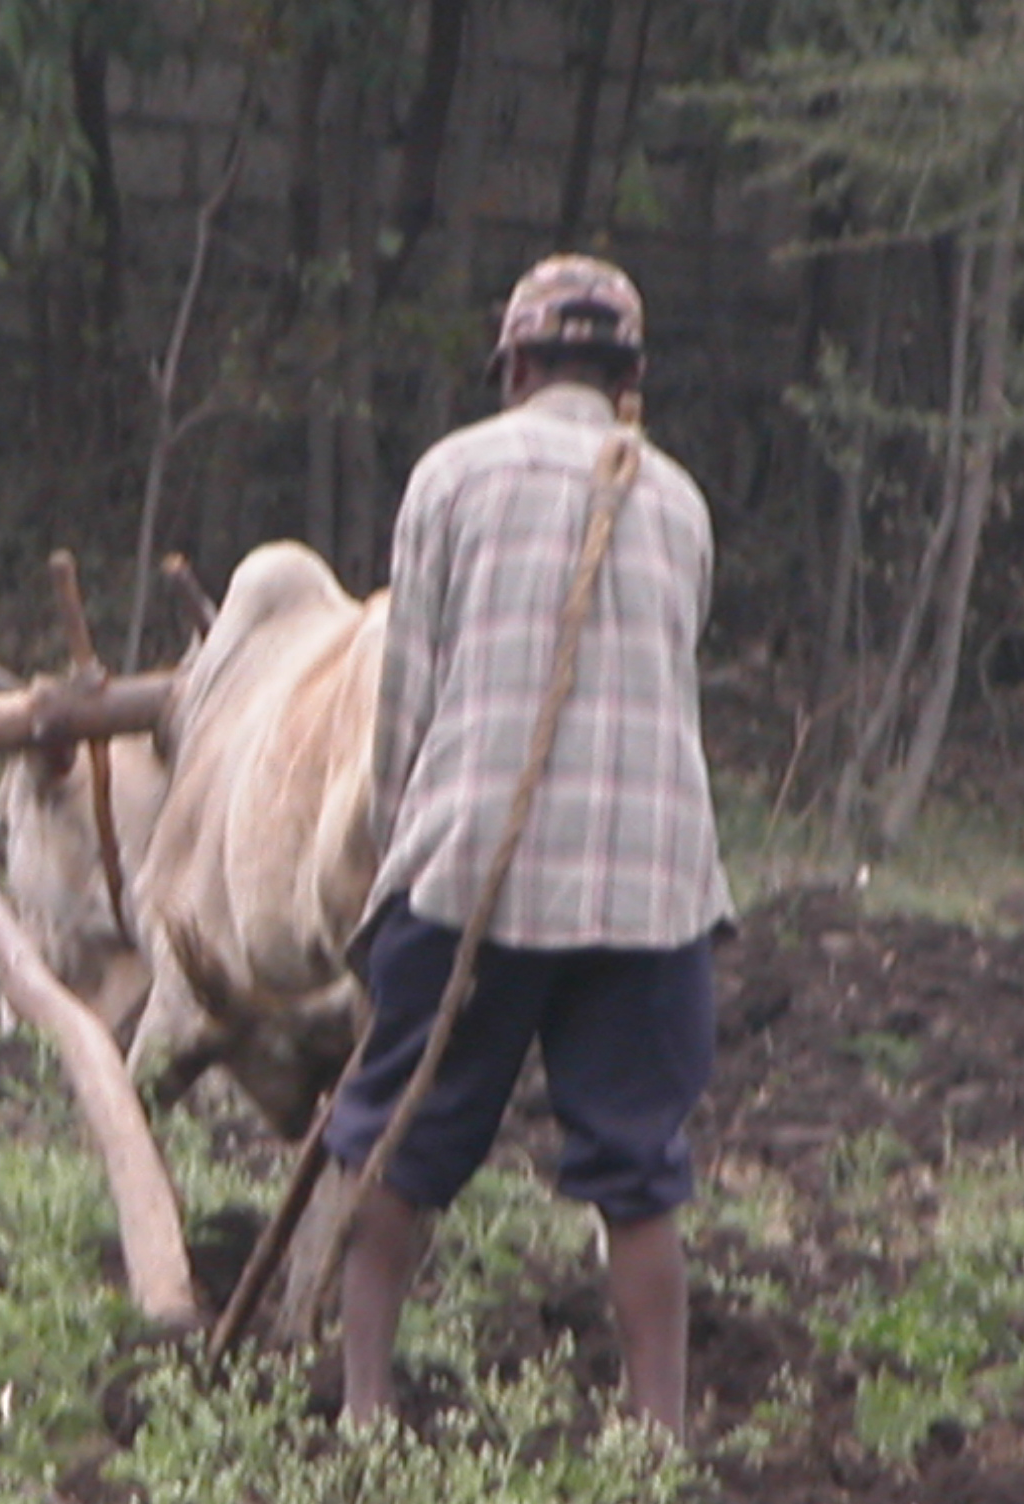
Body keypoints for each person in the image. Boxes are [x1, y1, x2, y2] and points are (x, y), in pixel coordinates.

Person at [321, 253, 734, 1438]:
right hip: (654, 891)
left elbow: (405, 702)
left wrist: (393, 858)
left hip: (476, 875)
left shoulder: (451, 474)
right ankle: (657, 1434)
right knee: (638, 1169)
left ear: (513, 366)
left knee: (399, 1137)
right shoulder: (681, 500)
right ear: (630, 381)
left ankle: (362, 1410)